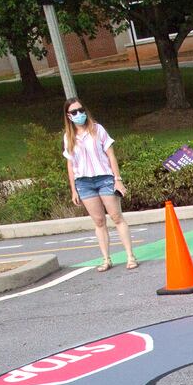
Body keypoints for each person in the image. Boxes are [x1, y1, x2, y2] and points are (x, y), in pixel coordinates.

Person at [61, 98, 138, 272]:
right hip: (84, 182)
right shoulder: (69, 137)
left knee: (116, 217)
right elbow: (70, 164)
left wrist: (117, 179)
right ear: (68, 116)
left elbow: (110, 155)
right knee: (99, 221)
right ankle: (106, 259)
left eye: (81, 110)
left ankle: (130, 256)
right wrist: (73, 189)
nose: (79, 114)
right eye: (74, 112)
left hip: (104, 178)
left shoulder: (97, 129)